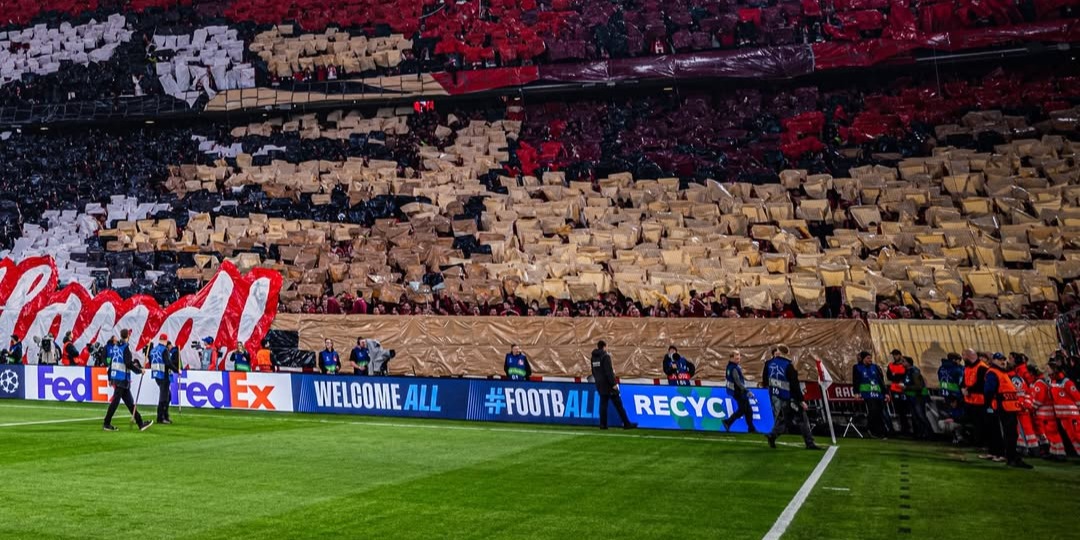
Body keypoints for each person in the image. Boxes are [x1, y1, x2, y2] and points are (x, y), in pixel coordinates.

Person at [763, 345, 821, 450]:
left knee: (784, 418)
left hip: (776, 394)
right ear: (787, 353)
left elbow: (765, 381)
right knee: (802, 418)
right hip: (790, 397)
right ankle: (810, 443)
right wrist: (801, 400)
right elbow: (794, 385)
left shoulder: (769, 363)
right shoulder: (788, 366)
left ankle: (772, 435)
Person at [983, 352, 1032, 468]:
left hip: (1009, 407)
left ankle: (1012, 456)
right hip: (1003, 407)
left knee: (1012, 434)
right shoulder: (993, 373)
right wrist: (990, 405)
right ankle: (1011, 457)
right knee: (1009, 434)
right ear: (994, 361)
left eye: (1004, 359)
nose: (1003, 361)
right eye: (1000, 360)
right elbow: (989, 391)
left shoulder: (1001, 373)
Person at [103, 329, 153, 432]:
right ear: (128, 336)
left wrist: (110, 377)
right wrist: (140, 371)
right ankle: (106, 423)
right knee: (115, 402)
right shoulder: (125, 348)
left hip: (116, 377)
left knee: (130, 403)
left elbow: (112, 363)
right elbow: (128, 364)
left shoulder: (116, 347)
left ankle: (140, 423)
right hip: (122, 378)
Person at [590, 341, 637, 430]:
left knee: (603, 405)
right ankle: (626, 423)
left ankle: (603, 425)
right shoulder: (605, 356)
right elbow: (609, 372)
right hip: (608, 385)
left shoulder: (593, 358)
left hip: (600, 384)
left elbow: (593, 371)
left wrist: (598, 380)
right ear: (604, 346)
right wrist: (613, 384)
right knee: (618, 404)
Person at [1031, 364, 1066, 461]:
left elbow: (1039, 399)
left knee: (1053, 434)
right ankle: (1055, 453)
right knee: (1051, 434)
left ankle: (1059, 454)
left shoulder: (1039, 384)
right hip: (1049, 413)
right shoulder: (1045, 382)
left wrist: (1032, 408)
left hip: (1046, 414)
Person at [1046, 358, 1080, 458]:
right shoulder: (1053, 382)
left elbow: (1077, 397)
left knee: (1077, 435)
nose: (1046, 370)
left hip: (1071, 415)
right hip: (1062, 415)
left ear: (1054, 369)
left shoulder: (1066, 382)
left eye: (1048, 368)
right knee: (1072, 437)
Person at [852, 351, 889, 438]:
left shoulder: (875, 367)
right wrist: (856, 392)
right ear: (863, 359)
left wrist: (886, 393)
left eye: (870, 358)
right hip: (867, 393)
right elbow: (856, 381)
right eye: (868, 358)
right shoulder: (857, 367)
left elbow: (881, 381)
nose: (870, 360)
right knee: (873, 411)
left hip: (877, 392)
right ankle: (872, 430)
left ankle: (881, 432)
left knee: (880, 412)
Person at [1008, 357, 1040, 456]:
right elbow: (1027, 392)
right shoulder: (1020, 379)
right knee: (1027, 429)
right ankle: (1033, 449)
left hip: (1017, 407)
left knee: (1020, 429)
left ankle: (1024, 449)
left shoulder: (1010, 379)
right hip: (1023, 407)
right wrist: (1027, 404)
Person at [961, 348, 990, 445]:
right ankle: (976, 441)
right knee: (974, 423)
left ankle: (982, 442)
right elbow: (963, 382)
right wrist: (962, 389)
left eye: (964, 355)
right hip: (969, 401)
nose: (962, 358)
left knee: (981, 423)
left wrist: (968, 390)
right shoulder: (967, 368)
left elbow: (981, 384)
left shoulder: (982, 367)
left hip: (979, 402)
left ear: (969, 356)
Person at [901, 357, 932, 439]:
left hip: (918, 397)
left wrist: (906, 387)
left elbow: (919, 386)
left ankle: (928, 433)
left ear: (909, 363)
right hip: (912, 397)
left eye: (903, 361)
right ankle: (920, 433)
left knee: (920, 415)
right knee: (915, 417)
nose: (902, 363)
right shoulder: (907, 371)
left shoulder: (914, 371)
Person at [723, 350, 755, 432]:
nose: (738, 358)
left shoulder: (729, 367)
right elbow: (738, 382)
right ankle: (728, 421)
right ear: (731, 358)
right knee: (743, 410)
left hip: (736, 391)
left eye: (739, 356)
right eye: (736, 357)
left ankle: (751, 428)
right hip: (739, 392)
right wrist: (747, 391)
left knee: (748, 410)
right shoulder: (734, 368)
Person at [149, 334, 177, 425]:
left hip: (156, 374)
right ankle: (161, 417)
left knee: (168, 396)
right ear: (165, 340)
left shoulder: (153, 350)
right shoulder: (164, 350)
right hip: (164, 375)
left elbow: (150, 361)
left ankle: (165, 415)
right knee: (164, 397)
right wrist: (176, 370)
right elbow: (168, 363)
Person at [886, 349, 909, 436]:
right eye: (894, 355)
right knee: (899, 410)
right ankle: (904, 429)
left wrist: (896, 375)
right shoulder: (891, 365)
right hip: (895, 389)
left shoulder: (904, 365)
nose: (895, 357)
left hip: (903, 390)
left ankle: (906, 428)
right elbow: (889, 376)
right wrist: (897, 377)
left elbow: (904, 375)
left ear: (900, 355)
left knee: (905, 410)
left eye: (896, 355)